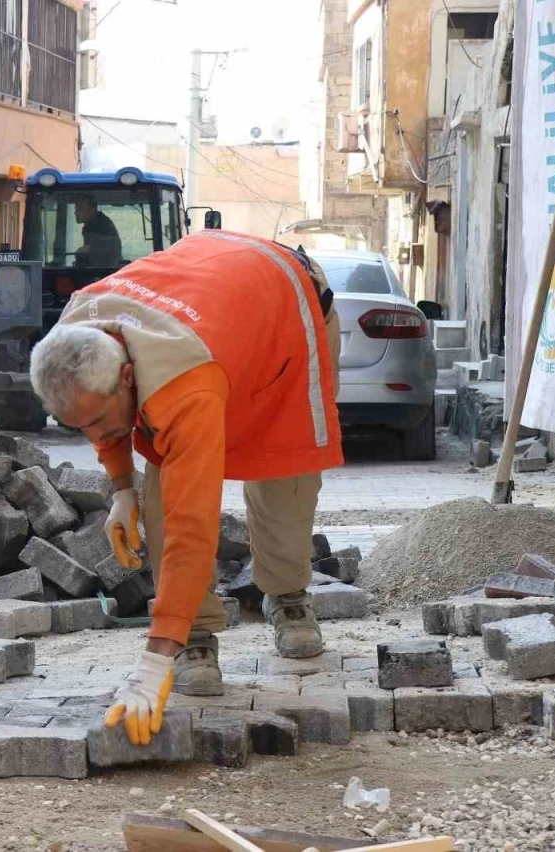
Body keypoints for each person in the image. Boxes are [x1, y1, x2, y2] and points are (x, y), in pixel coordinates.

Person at [29, 230, 342, 746]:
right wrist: (122, 489)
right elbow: (97, 416)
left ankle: (287, 594)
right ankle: (195, 632)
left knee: (281, 467)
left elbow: (191, 525)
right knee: (160, 487)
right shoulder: (75, 333)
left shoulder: (182, 384)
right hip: (213, 304)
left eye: (100, 423)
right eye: (80, 427)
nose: (95, 435)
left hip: (289, 308)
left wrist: (153, 662)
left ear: (126, 378)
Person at [73, 195, 122, 267]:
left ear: (92, 209)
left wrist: (87, 250)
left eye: (80, 209)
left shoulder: (100, 225)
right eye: (76, 209)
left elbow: (111, 247)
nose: (75, 212)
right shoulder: (92, 224)